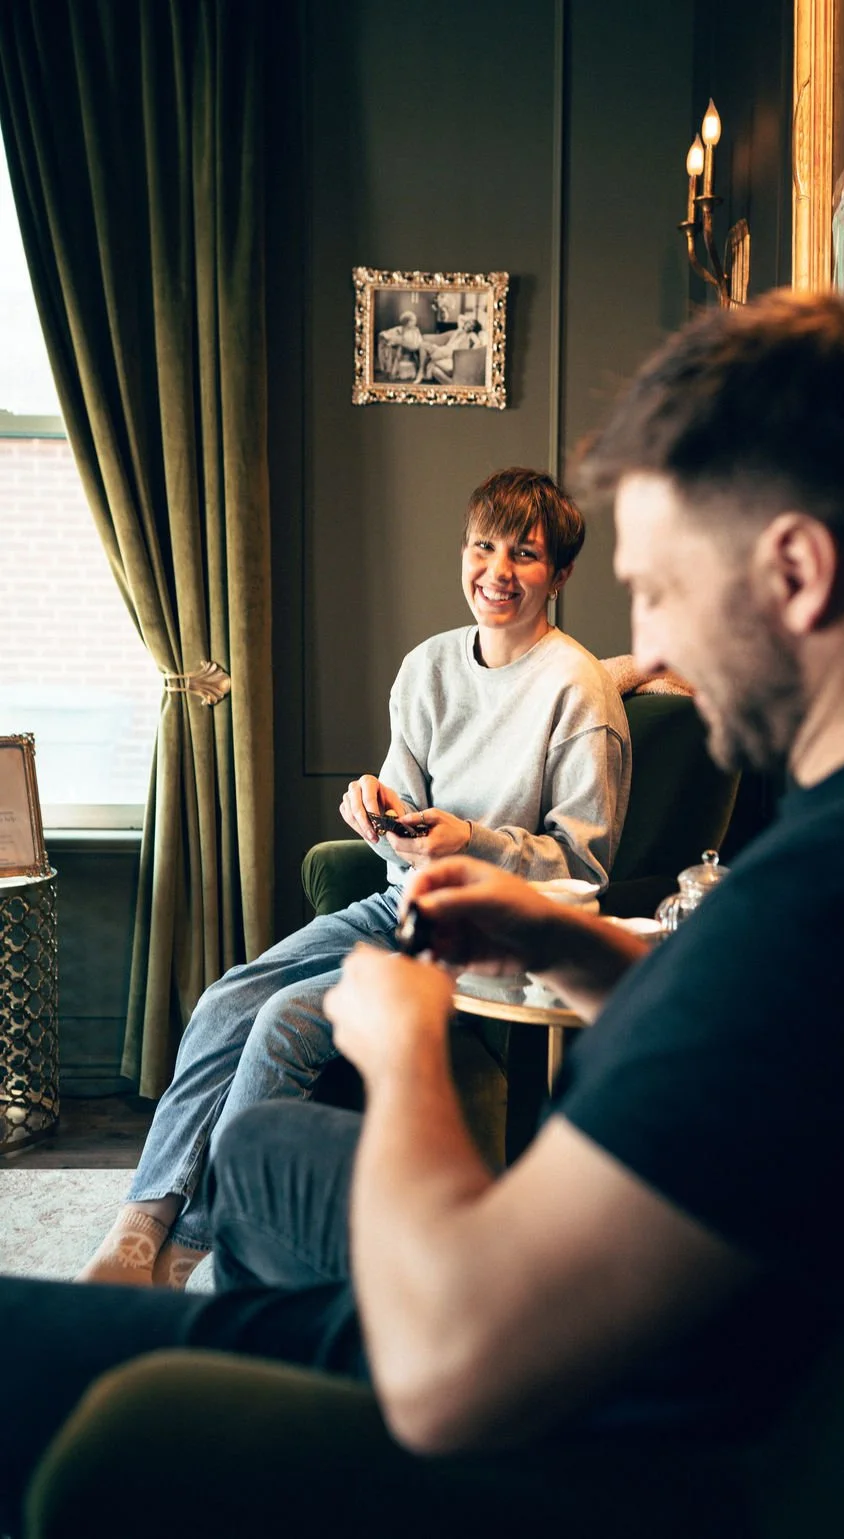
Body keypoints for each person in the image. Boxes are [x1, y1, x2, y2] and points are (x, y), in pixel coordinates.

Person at [2, 292, 844, 1534]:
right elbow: (778, 1062)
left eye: (659, 591)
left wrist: (403, 1036)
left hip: (553, 1426)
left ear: (797, 572)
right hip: (635, 1344)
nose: (646, 649)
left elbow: (452, 1362)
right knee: (266, 1154)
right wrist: (573, 945)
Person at [77, 466, 630, 1291]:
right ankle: (136, 1234)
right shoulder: (430, 666)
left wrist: (469, 841)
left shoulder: (579, 692)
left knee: (286, 1020)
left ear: (560, 574)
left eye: (525, 553)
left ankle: (197, 1247)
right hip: (397, 899)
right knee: (231, 993)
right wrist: (375, 808)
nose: (497, 571)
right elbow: (399, 798)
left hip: (486, 934)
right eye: (483, 547)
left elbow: (581, 865)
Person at [415, 313, 484, 383]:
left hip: (451, 352)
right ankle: (422, 371)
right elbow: (460, 317)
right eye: (469, 323)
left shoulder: (471, 334)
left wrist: (470, 351)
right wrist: (469, 321)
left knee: (429, 355)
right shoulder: (459, 330)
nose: (469, 326)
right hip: (445, 349)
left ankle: (421, 373)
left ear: (473, 329)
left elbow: (478, 342)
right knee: (423, 345)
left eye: (472, 326)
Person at [376, 308, 423, 380]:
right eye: (413, 320)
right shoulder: (400, 329)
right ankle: (391, 371)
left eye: (414, 320)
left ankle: (395, 372)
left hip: (411, 349)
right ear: (407, 322)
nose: (415, 322)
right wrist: (387, 337)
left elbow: (417, 343)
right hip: (400, 349)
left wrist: (402, 341)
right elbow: (386, 334)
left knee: (400, 346)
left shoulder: (415, 330)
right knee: (392, 346)